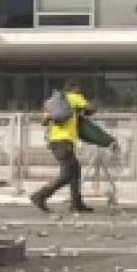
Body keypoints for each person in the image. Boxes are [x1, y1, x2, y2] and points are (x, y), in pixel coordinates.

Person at [30, 84, 94, 214]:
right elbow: (91, 108)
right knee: (67, 174)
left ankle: (76, 203)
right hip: (64, 142)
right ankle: (40, 196)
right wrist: (85, 110)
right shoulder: (74, 97)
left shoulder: (54, 102)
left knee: (75, 170)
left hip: (55, 141)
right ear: (75, 89)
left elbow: (43, 121)